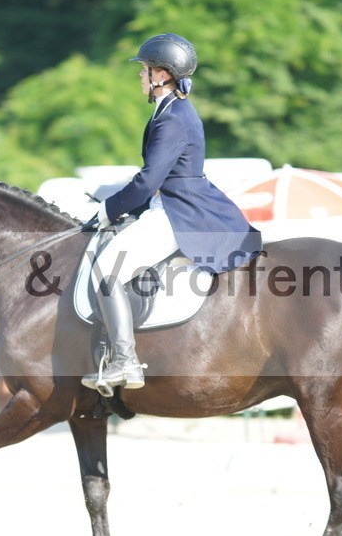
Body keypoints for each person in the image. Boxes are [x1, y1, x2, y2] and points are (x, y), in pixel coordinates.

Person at [81, 33, 263, 394]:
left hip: (178, 210)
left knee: (107, 270)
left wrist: (108, 210)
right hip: (171, 203)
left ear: (162, 74)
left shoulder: (174, 117)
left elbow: (149, 180)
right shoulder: (169, 110)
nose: (141, 76)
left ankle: (125, 360)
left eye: (145, 70)